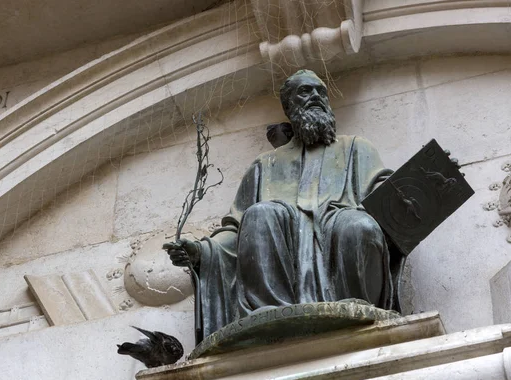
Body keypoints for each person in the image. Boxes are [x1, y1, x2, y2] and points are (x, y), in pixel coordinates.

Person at [164, 70, 404, 338]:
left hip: (339, 237)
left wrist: (425, 185)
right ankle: (271, 309)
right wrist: (201, 252)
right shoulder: (265, 165)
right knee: (260, 214)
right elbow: (236, 229)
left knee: (358, 224)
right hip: (283, 254)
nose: (315, 95)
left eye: (320, 91)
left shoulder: (357, 148)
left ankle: (356, 302)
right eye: (305, 91)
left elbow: (387, 197)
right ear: (289, 106)